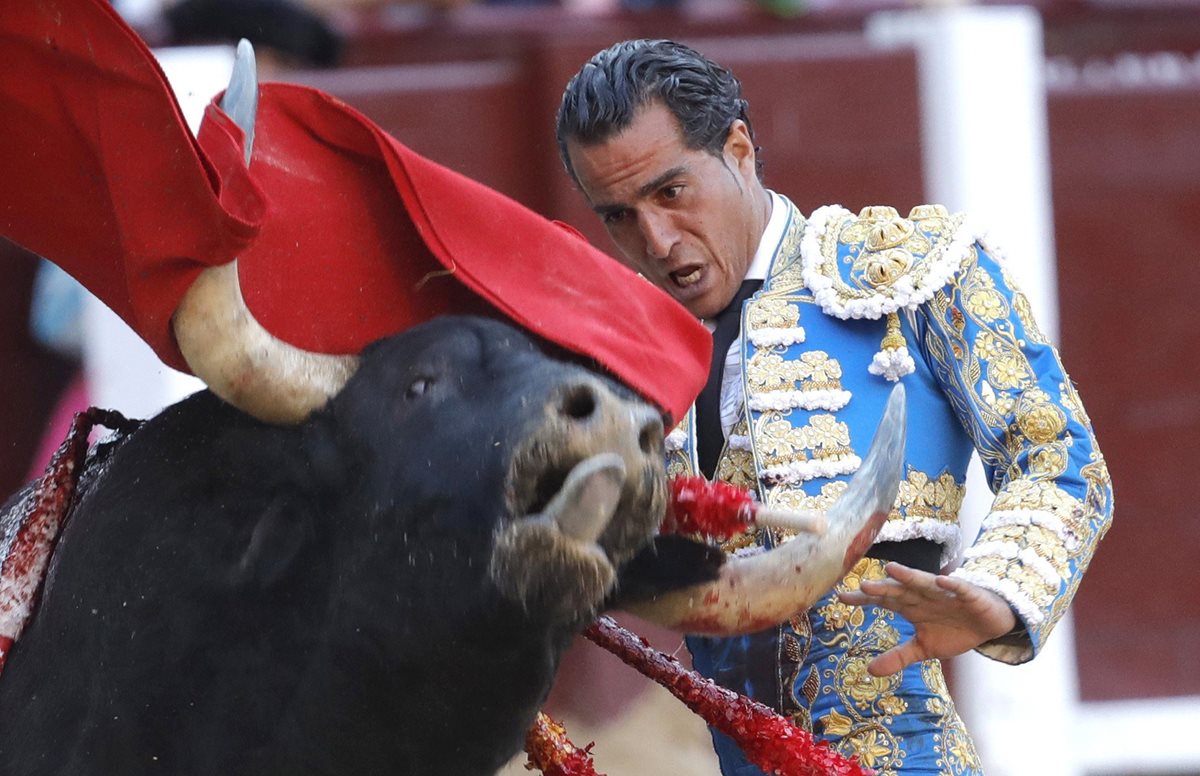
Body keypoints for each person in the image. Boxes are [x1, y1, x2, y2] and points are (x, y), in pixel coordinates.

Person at [555, 39, 1112, 775]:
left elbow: (1058, 459)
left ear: (739, 150)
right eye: (618, 216)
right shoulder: (619, 356)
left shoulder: (909, 275)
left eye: (671, 193)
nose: (654, 241)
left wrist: (996, 592)